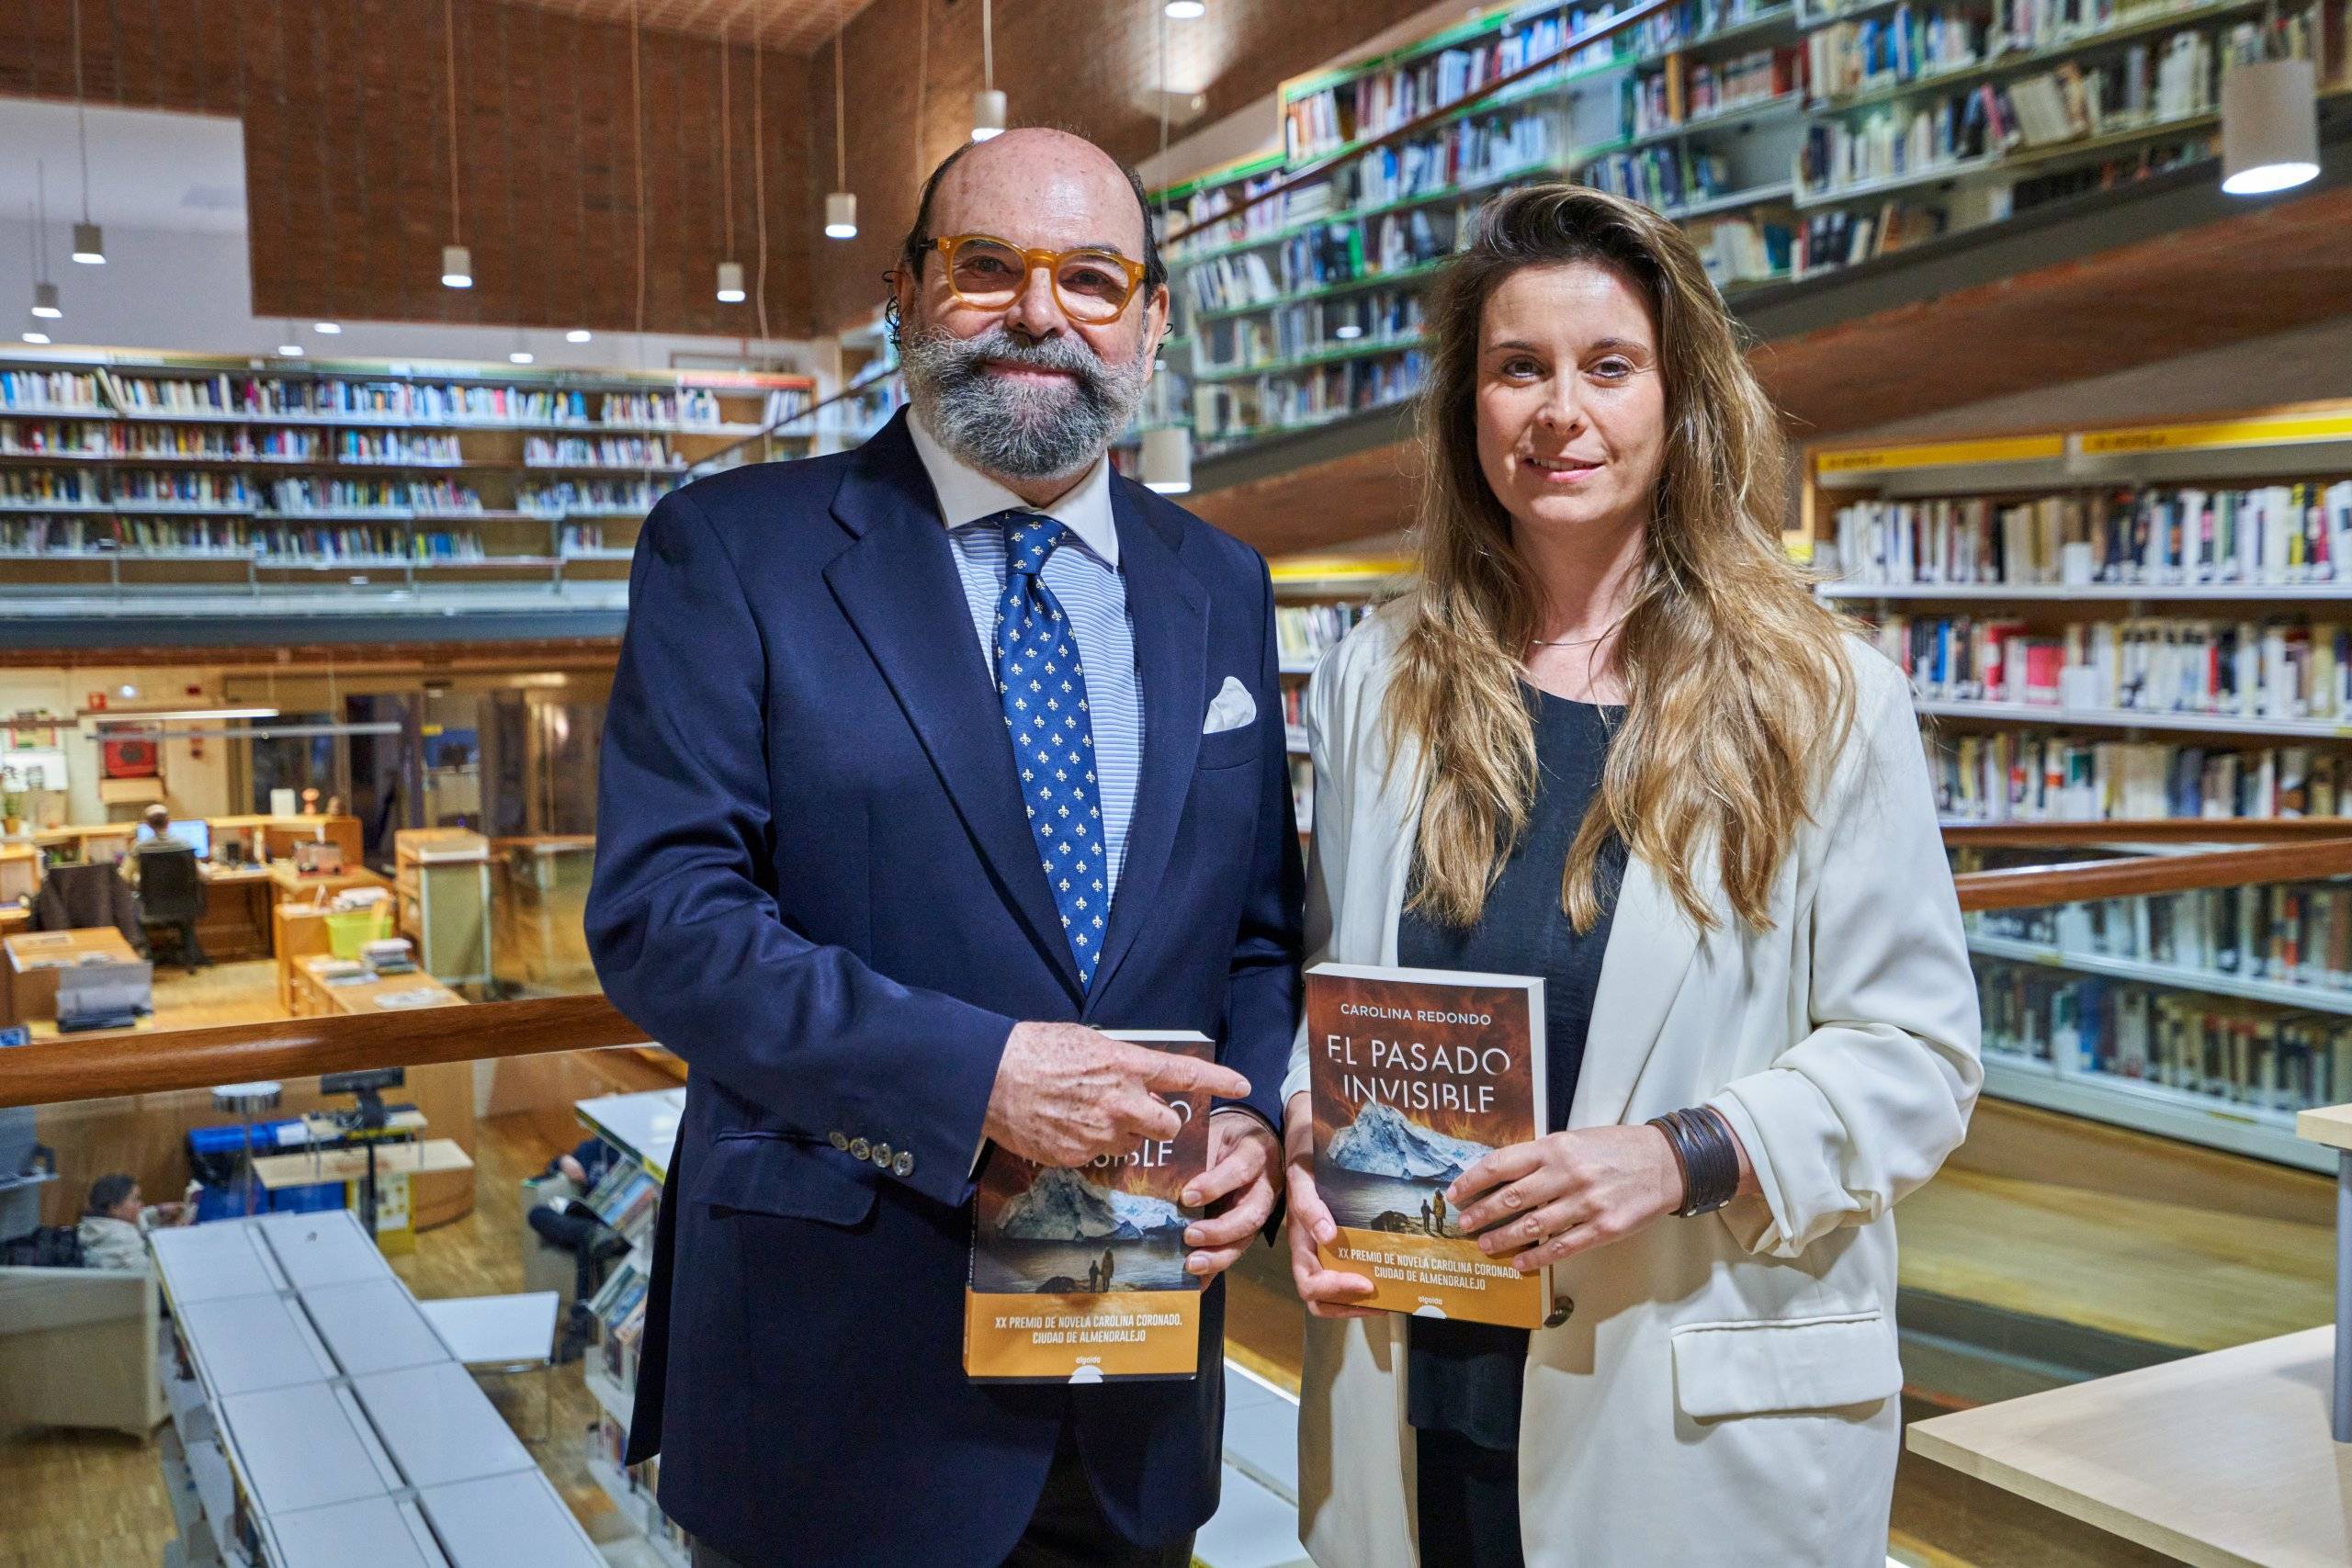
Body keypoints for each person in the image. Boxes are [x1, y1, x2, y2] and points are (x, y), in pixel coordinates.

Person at [586, 127, 1304, 1568]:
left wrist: (1256, 1123)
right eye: (990, 268)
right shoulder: (734, 548)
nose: (1042, 314)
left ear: (1151, 324)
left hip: (1133, 1382)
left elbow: (1257, 930)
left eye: (1094, 279)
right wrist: (979, 1078)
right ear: (907, 296)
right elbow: (667, 913)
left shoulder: (1220, 581)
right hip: (837, 1389)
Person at [1280, 185, 1983, 1568]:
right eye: (1517, 367)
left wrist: (1679, 1154)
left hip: (1687, 1414)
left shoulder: (1821, 690)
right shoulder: (1382, 676)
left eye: (1608, 366)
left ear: (1680, 400)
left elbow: (1919, 1056)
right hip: (1418, 1388)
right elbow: (1334, 993)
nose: (1559, 410)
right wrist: (1312, 1136)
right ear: (1465, 406)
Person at [526, 1136, 632, 1360]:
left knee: (587, 1238)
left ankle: (581, 1327)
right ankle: (588, 1232)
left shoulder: (634, 1156)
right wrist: (564, 1161)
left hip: (618, 1232)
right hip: (586, 1221)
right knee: (537, 1214)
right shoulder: (594, 1148)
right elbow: (552, 1166)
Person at [77, 1173, 192, 1275]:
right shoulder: (123, 1239)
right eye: (135, 1200)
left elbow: (132, 1222)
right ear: (114, 1208)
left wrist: (158, 1212)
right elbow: (155, 1276)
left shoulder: (97, 1227)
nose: (141, 1204)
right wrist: (177, 1240)